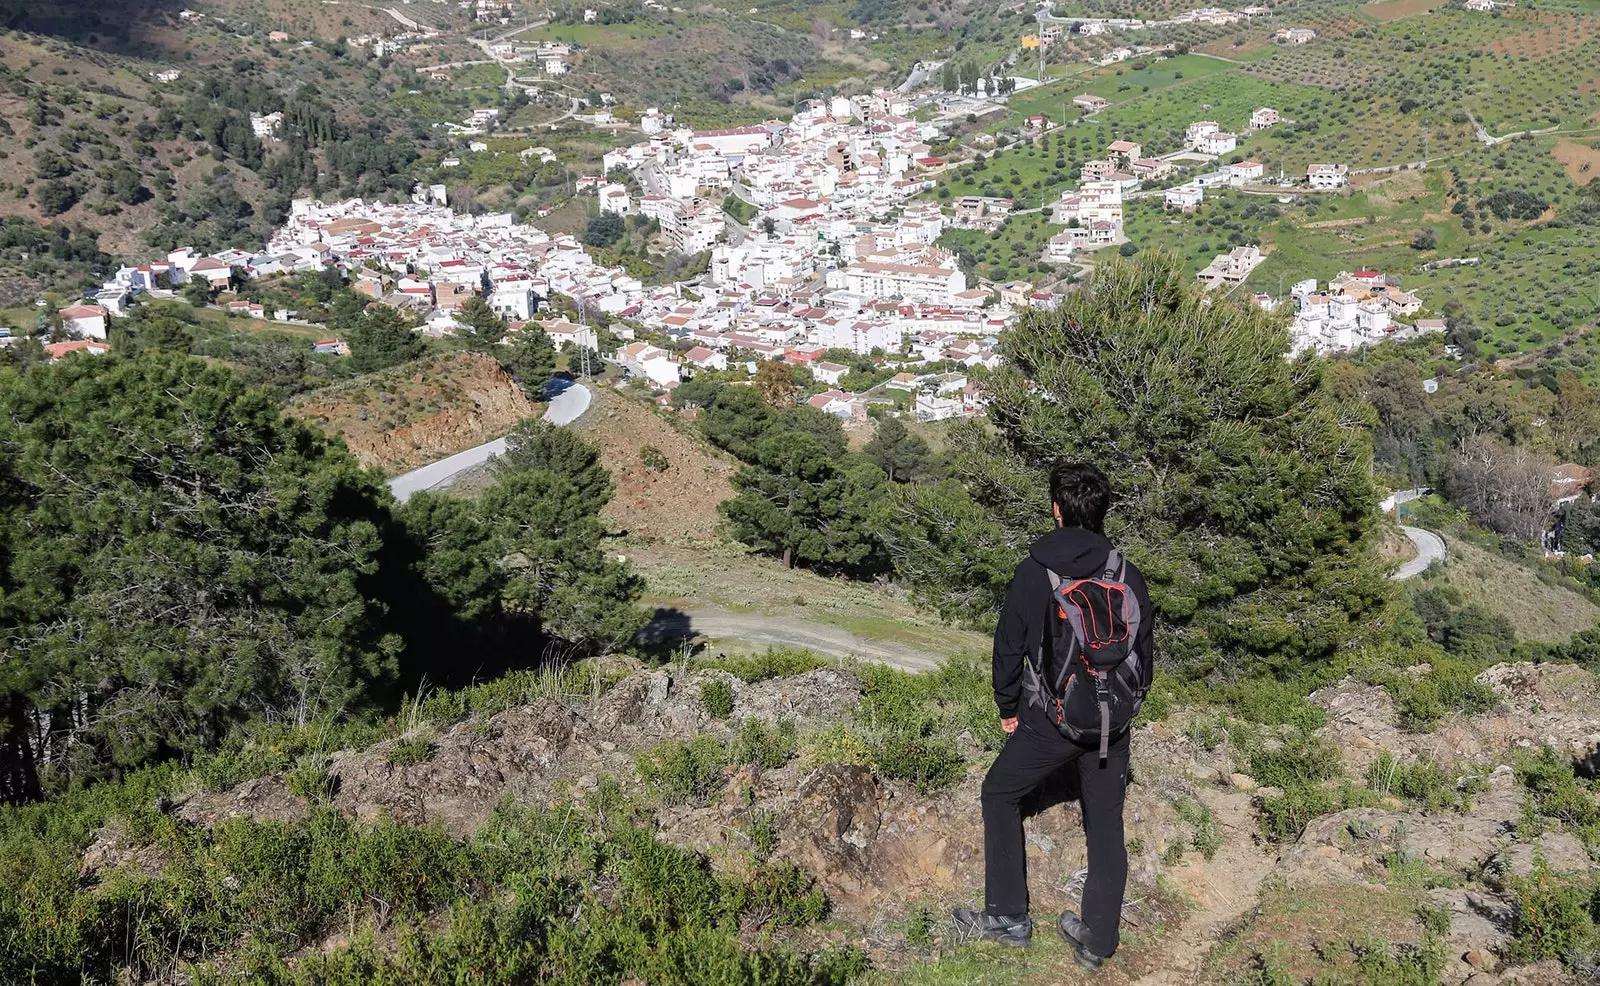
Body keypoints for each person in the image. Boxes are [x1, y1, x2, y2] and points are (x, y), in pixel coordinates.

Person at [952, 461, 1155, 967]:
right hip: (1113, 721)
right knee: (1105, 823)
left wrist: (1007, 707)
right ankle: (1098, 941)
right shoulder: (1125, 572)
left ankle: (1008, 916)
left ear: (1056, 509)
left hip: (1053, 720)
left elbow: (1008, 648)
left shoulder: (1033, 572)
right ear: (1102, 511)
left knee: (999, 793)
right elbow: (1145, 655)